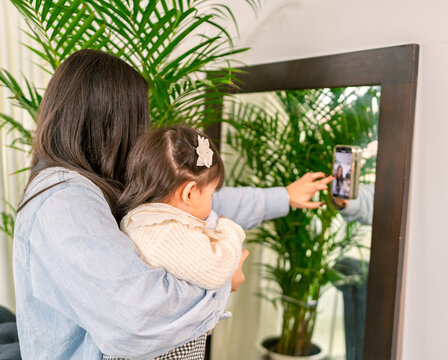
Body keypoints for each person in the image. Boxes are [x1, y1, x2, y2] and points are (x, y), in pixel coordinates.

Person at [12, 49, 333, 359]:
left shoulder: (94, 183)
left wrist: (283, 196)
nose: (143, 131)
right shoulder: (65, 202)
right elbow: (137, 317)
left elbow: (194, 204)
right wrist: (223, 281)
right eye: (141, 118)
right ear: (113, 123)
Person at [102, 126, 248, 360]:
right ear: (189, 193)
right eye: (211, 193)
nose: (212, 202)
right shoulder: (163, 231)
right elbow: (216, 269)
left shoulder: (147, 220)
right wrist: (231, 231)